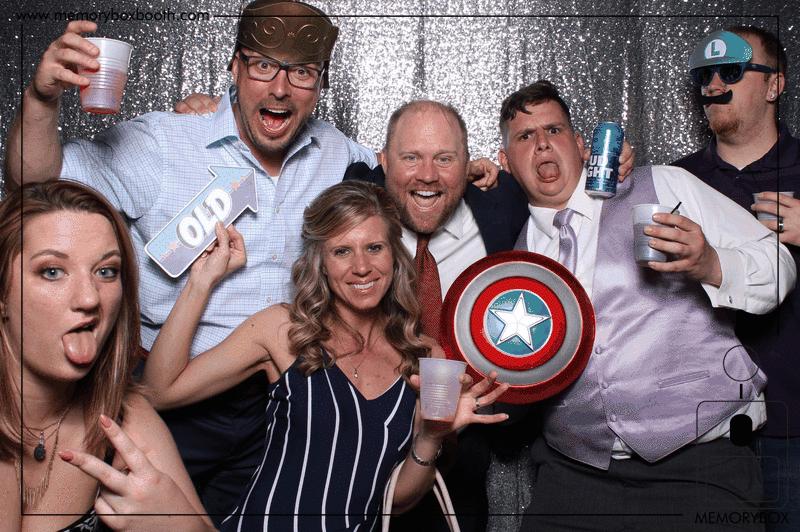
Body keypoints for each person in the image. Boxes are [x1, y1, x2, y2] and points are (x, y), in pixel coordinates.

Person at [3, 1, 377, 522]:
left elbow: (401, 176)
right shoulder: (165, 142)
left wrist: (464, 173)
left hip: (279, 399)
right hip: (165, 392)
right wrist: (42, 100)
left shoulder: (335, 151)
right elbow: (34, 184)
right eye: (263, 66)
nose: (280, 88)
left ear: (320, 84)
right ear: (235, 67)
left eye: (302, 72)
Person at [497, 80, 795, 531]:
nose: (541, 143)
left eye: (553, 130)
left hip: (699, 468)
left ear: (579, 144)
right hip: (574, 473)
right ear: (506, 161)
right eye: (525, 136)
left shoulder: (663, 185)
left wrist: (713, 265)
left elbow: (778, 263)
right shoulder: (513, 265)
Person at [142, 180, 509, 531]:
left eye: (374, 248)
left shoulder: (428, 357)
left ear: (395, 255)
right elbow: (160, 391)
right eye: (342, 251)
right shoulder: (283, 329)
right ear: (320, 260)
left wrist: (430, 436)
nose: (361, 267)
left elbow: (397, 502)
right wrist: (201, 281)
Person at [0, 180, 213, 531]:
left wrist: (182, 525)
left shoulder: (124, 416)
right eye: (52, 272)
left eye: (106, 272)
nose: (90, 298)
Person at [672, 27, 800, 529]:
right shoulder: (677, 182)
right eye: (705, 74)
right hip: (705, 435)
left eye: (731, 71)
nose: (713, 85)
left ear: (774, 85)